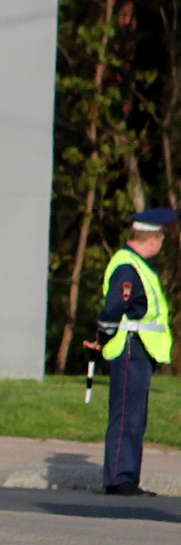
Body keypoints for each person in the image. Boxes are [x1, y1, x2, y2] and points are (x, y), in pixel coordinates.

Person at [83, 208, 174, 496]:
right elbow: (113, 308)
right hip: (130, 348)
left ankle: (127, 478)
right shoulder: (127, 267)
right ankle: (120, 479)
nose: (162, 244)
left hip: (140, 348)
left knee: (135, 415)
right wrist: (102, 336)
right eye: (161, 238)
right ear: (153, 238)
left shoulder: (136, 264)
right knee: (127, 416)